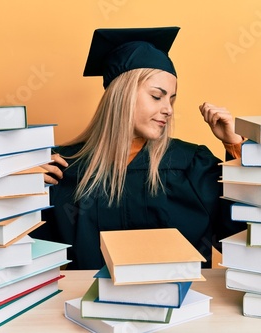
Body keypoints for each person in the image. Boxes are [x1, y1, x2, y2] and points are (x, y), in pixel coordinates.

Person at [32, 26, 246, 270]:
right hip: (87, 303)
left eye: (171, 99)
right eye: (157, 96)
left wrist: (235, 148)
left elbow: (238, 236)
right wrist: (22, 186)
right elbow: (29, 251)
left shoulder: (191, 164)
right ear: (121, 96)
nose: (168, 109)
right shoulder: (63, 167)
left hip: (179, 304)